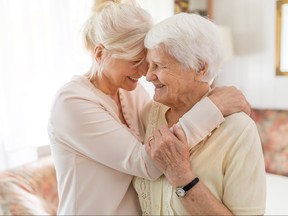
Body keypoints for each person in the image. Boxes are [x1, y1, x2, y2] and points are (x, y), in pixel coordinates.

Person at [48, 1, 251, 215]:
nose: (145, 72)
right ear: (100, 54)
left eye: (147, 60)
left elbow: (163, 127)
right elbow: (149, 163)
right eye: (136, 61)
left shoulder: (131, 92)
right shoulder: (71, 103)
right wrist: (214, 106)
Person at [133, 12, 266, 215]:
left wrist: (181, 176)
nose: (149, 76)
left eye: (159, 66)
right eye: (149, 65)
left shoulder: (239, 130)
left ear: (199, 67)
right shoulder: (146, 114)